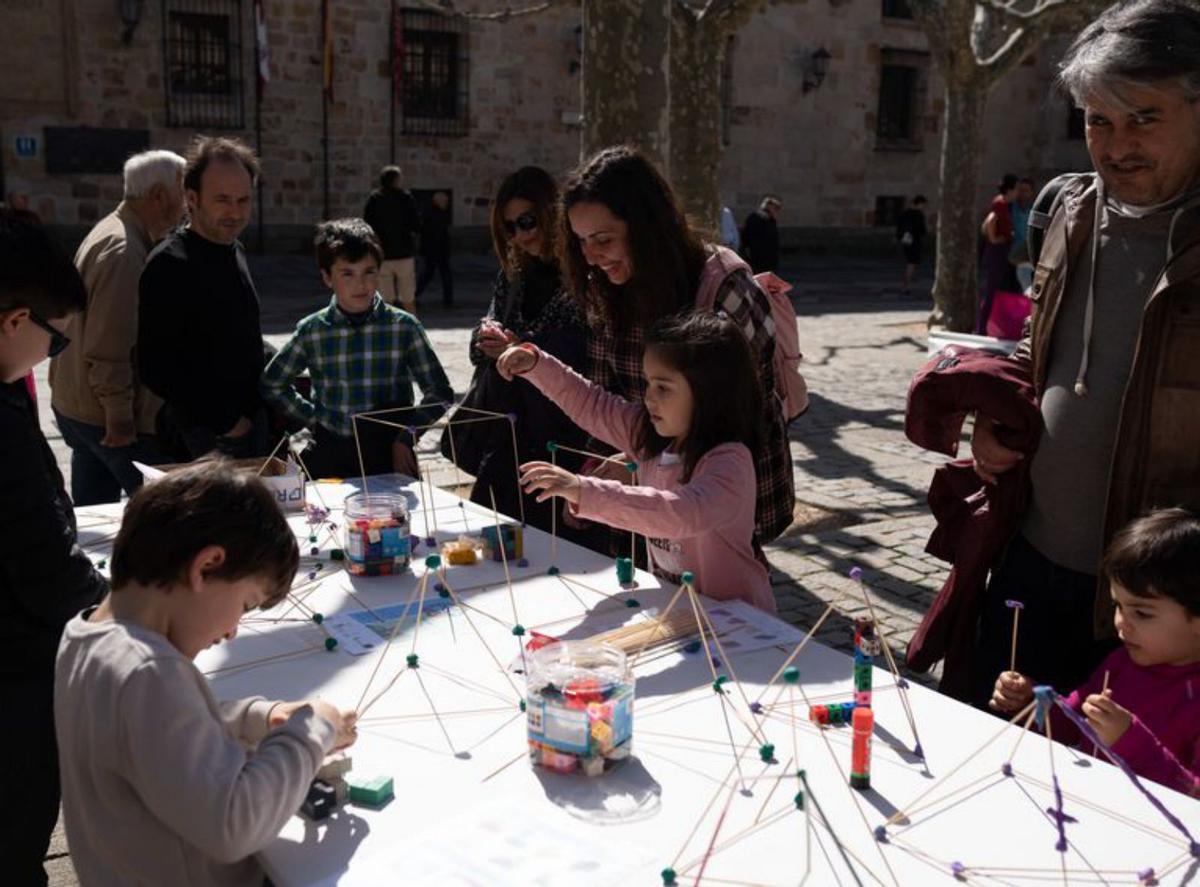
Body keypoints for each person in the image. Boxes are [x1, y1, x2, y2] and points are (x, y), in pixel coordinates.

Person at [966, 0, 1200, 707]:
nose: (1116, 143)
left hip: (1159, 613)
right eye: (1099, 119)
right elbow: (1039, 354)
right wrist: (999, 420)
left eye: (1144, 117)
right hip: (1031, 568)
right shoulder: (1066, 211)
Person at [55, 462, 358, 884]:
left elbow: (155, 735)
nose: (233, 630)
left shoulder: (86, 634)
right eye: (246, 604)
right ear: (207, 566)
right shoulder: (149, 672)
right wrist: (311, 733)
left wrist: (258, 717)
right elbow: (233, 826)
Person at [559, 146, 794, 547]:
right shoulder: (604, 287)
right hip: (648, 493)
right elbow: (605, 393)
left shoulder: (724, 289)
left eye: (603, 239)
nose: (591, 257)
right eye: (580, 241)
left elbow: (740, 417)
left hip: (720, 499)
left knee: (723, 604)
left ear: (646, 227)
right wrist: (599, 470)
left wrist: (638, 464)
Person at [499, 311, 774, 612]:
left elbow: (679, 513)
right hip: (679, 608)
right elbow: (591, 404)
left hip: (741, 619)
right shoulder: (648, 435)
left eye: (663, 387)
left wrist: (582, 490)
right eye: (648, 383)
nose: (649, 398)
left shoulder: (729, 462)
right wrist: (537, 365)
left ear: (709, 393)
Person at [0, 215, 108, 885]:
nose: (53, 351)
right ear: (15, 320)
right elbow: (41, 560)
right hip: (13, 677)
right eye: (56, 336)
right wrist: (121, 606)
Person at [990, 508, 1200, 796]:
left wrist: (1129, 739)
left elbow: (1192, 795)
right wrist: (1032, 701)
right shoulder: (1120, 662)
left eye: (1141, 612)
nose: (1121, 623)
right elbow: (1071, 722)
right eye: (1118, 606)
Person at [261, 218, 453, 479]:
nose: (360, 284)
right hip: (331, 455)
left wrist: (407, 435)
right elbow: (273, 383)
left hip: (388, 455)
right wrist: (313, 419)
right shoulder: (312, 331)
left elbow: (440, 393)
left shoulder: (403, 327)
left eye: (368, 271)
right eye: (347, 273)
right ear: (327, 277)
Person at [48, 150, 185, 505]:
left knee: (96, 512)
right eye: (183, 194)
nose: (187, 206)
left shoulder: (113, 229)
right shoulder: (125, 251)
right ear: (158, 196)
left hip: (78, 404)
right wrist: (119, 417)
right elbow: (110, 342)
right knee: (166, 513)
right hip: (105, 417)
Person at [459, 166, 587, 532]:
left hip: (564, 438)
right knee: (493, 541)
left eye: (527, 222)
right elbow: (480, 339)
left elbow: (592, 356)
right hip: (509, 435)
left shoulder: (584, 274)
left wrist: (526, 351)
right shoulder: (514, 274)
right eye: (510, 228)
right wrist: (487, 341)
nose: (520, 236)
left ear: (551, 211)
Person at [138, 136, 268, 461]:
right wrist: (229, 423)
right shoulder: (169, 264)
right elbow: (155, 366)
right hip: (207, 439)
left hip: (251, 426)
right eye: (223, 199)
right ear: (191, 198)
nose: (235, 212)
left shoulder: (232, 248)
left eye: (243, 200)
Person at [363, 165, 421, 312]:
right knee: (408, 298)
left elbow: (367, 225)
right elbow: (416, 224)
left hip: (383, 255)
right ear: (395, 180)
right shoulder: (405, 198)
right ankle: (411, 329)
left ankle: (388, 329)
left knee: (386, 299)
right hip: (404, 253)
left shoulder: (375, 198)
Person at [976, 174, 1019, 334]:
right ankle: (981, 329)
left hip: (1001, 251)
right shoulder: (1000, 203)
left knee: (996, 289)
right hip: (997, 252)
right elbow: (990, 221)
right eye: (1016, 189)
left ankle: (989, 326)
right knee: (990, 290)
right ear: (1010, 189)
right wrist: (994, 239)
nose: (1017, 193)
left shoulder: (1004, 204)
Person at [416, 190, 454, 308]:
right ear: (438, 202)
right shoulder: (436, 215)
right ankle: (448, 300)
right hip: (437, 249)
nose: (447, 203)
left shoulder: (431, 213)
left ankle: (415, 294)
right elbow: (436, 235)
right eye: (445, 201)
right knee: (441, 274)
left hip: (433, 249)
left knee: (431, 273)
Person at [895, 194, 928, 295]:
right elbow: (922, 230)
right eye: (924, 205)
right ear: (920, 204)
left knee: (907, 263)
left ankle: (905, 283)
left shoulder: (904, 214)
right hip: (915, 242)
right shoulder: (919, 215)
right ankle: (905, 286)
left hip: (904, 242)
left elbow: (898, 228)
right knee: (912, 264)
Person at [741, 195, 782, 273]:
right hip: (765, 259)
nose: (776, 212)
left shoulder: (752, 217)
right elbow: (772, 241)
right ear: (770, 207)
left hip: (754, 256)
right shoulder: (769, 220)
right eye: (776, 209)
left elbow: (744, 237)